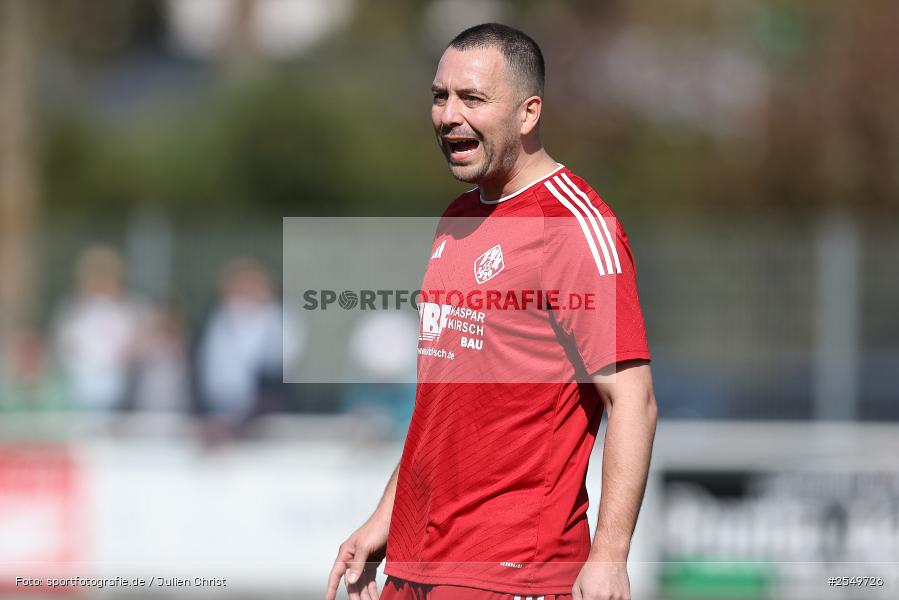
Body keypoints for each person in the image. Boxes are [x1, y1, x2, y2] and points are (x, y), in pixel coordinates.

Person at [327, 23, 658, 600]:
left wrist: (609, 555)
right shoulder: (457, 217)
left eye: (472, 98)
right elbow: (444, 405)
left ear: (529, 113)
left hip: (512, 569)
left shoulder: (574, 225)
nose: (448, 115)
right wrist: (385, 516)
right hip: (416, 562)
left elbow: (633, 400)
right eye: (440, 96)